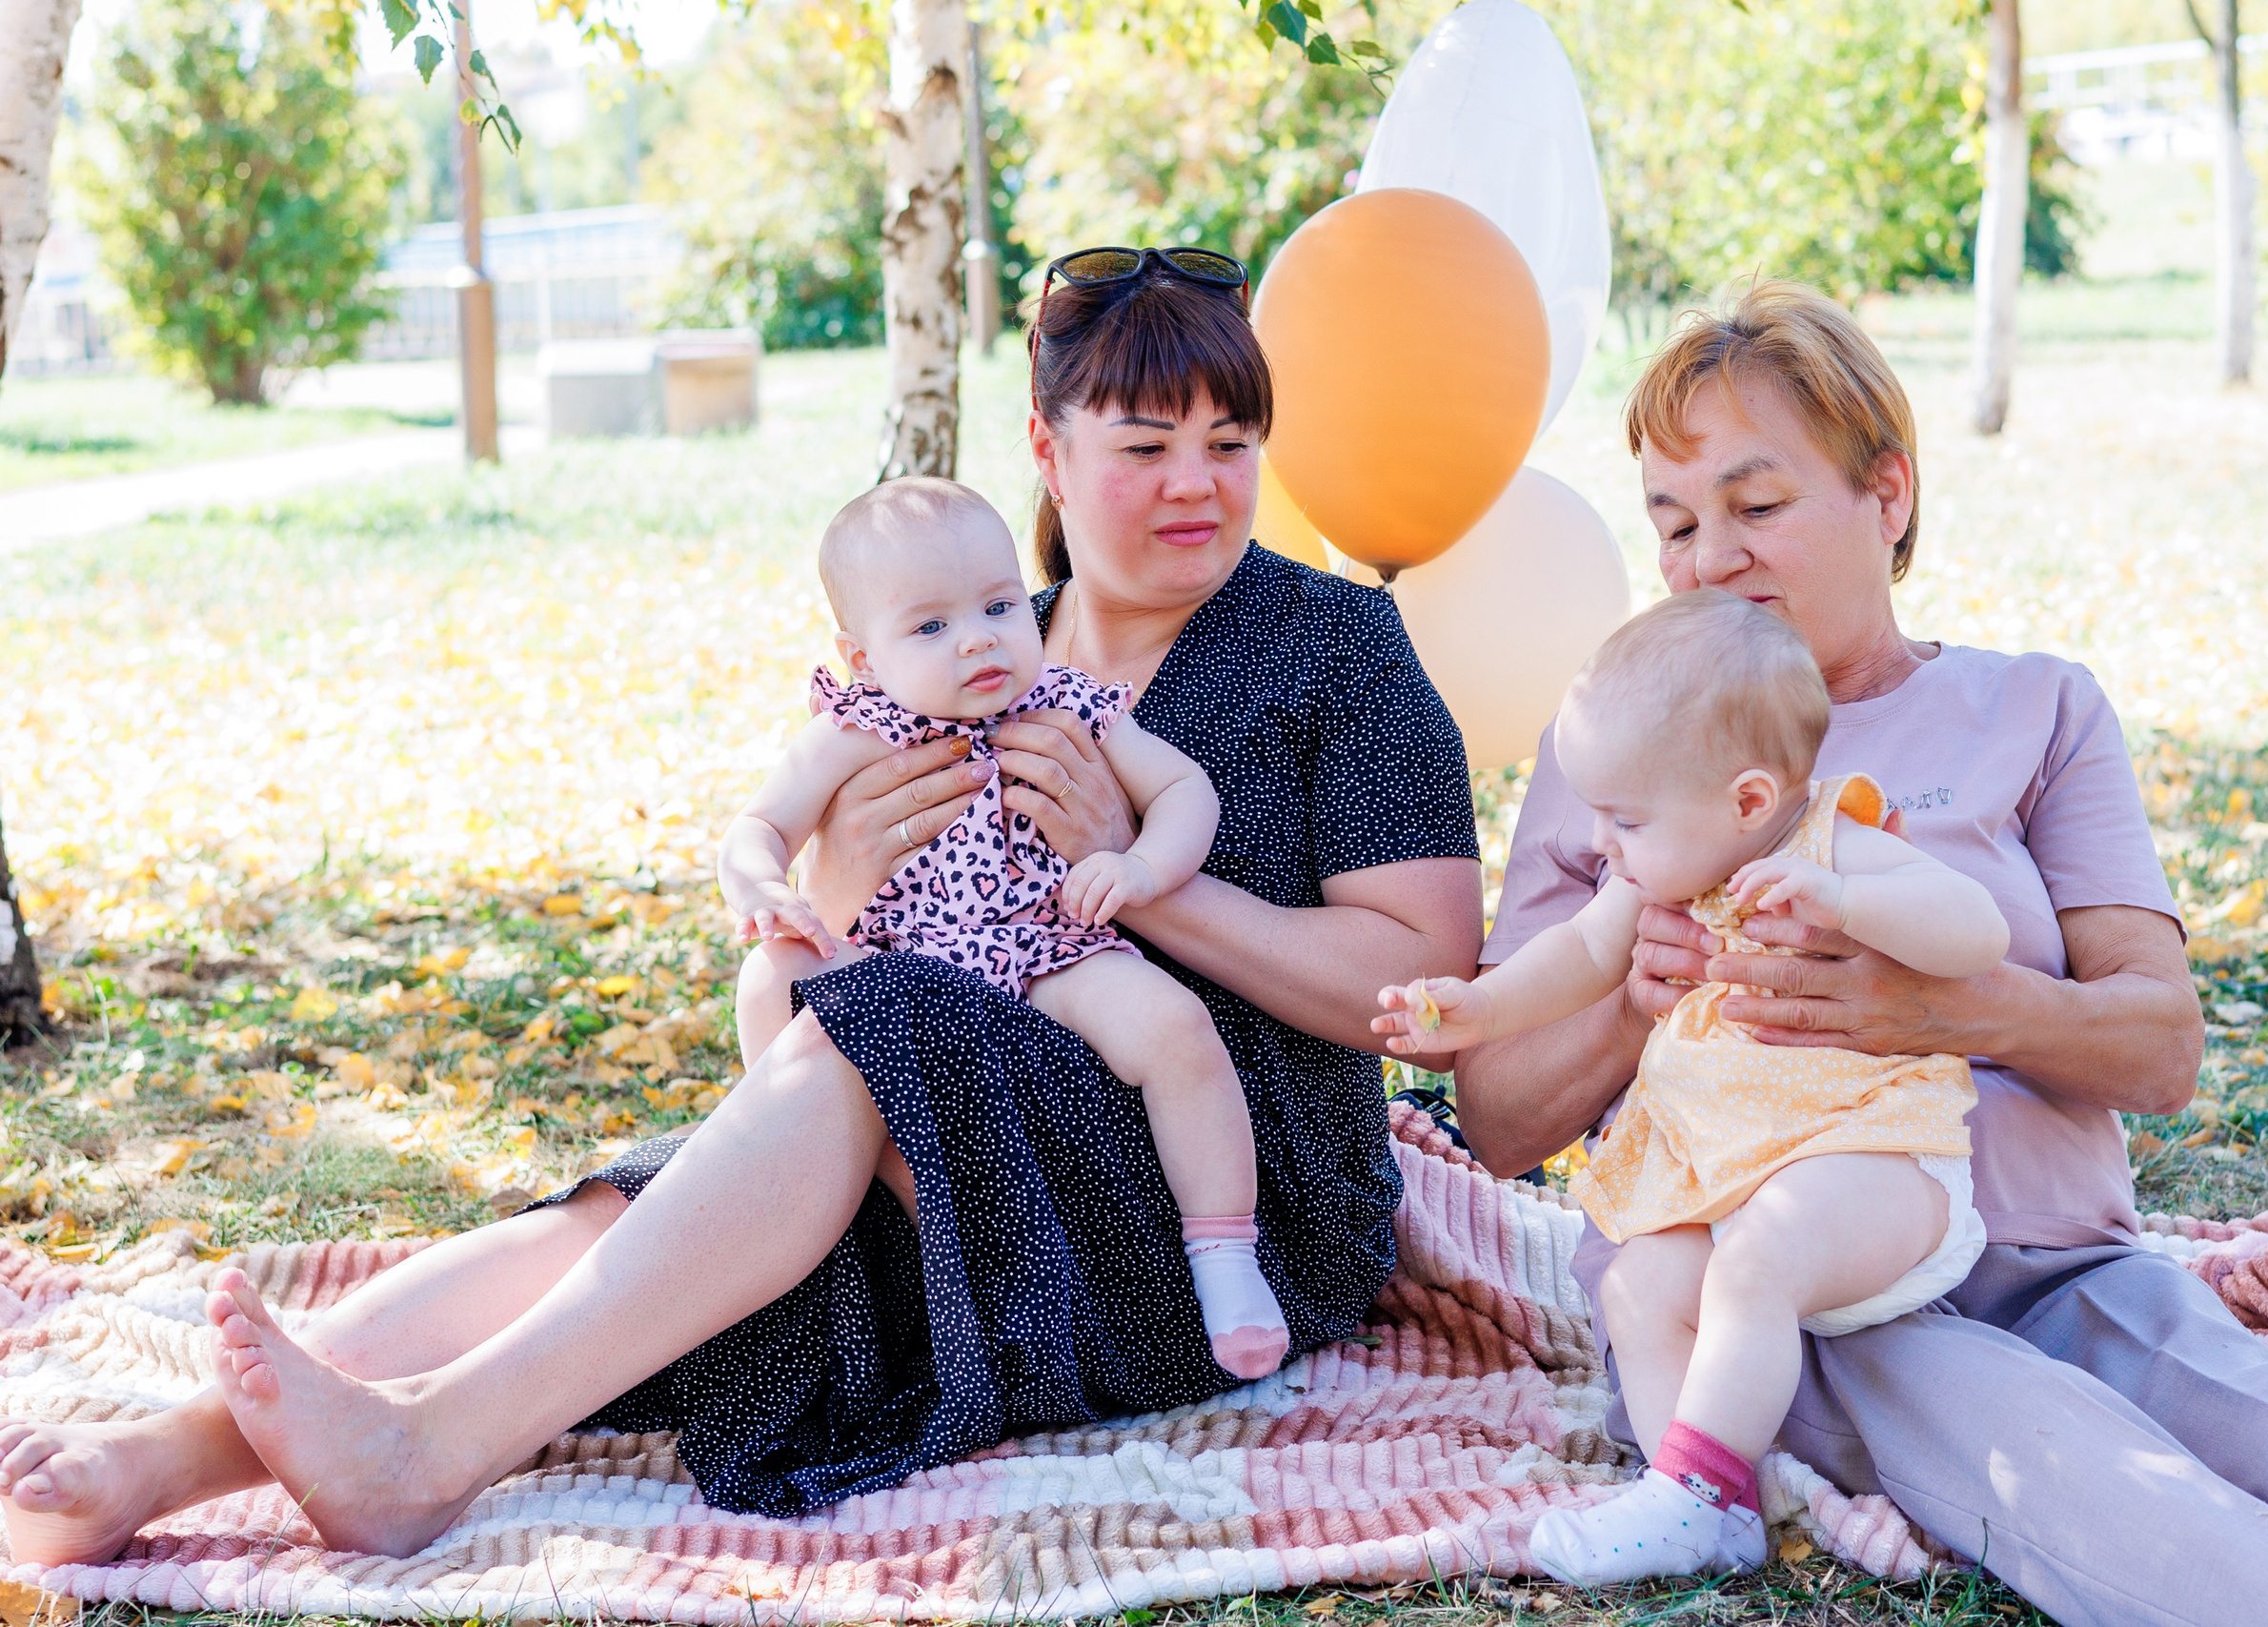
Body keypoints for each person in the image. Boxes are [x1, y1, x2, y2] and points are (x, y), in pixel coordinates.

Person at [0, 243, 1482, 1563]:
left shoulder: (1336, 648)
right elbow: (814, 960)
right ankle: (173, 1454)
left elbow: (1418, 983)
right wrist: (830, 888)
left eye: (1231, 443)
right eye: (1146, 444)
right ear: (1047, 445)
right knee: (647, 1210)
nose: (1196, 483)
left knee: (877, 1037)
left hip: (1222, 1216)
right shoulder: (967, 639)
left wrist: (1144, 877)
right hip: (937, 1144)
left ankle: (425, 1450)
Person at [1450, 278, 2268, 1627]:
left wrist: (1946, 1008)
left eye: (1757, 504)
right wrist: (1632, 1000)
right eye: (1674, 523)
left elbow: (2158, 1047)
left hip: (2059, 1257)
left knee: (2239, 1397)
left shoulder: (2035, 710)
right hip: (1769, 1296)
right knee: (2034, 1435)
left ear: (1889, 493)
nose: (1709, 559)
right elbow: (1500, 1121)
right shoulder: (1616, 751)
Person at [1376, 587, 2007, 1583]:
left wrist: (1848, 900)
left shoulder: (1831, 841)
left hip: (1871, 1157)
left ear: (1747, 801)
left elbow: (1977, 929)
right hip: (1719, 1171)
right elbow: (1576, 955)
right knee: (1642, 1286)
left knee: (1758, 1259)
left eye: (1625, 817)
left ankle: (1687, 1494)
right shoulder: (1655, 879)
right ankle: (1715, 1509)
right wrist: (1477, 1011)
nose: (1601, 841)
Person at [719, 475, 1286, 1378]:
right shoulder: (856, 730)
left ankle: (1223, 1254)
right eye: (930, 626)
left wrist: (1141, 867)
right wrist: (762, 886)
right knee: (771, 978)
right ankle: (794, 1171)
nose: (979, 638)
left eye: (998, 605)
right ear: (862, 657)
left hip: (1051, 946)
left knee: (1177, 1027)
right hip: (907, 970)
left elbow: (1185, 788)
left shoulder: (1064, 700)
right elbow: (760, 824)